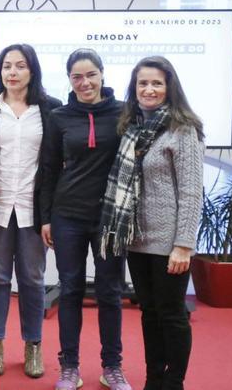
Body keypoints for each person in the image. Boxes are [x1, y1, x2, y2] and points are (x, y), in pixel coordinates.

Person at [99, 56, 203, 390]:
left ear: (169, 87)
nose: (149, 89)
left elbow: (190, 192)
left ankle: (173, 382)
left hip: (170, 241)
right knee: (149, 313)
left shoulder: (183, 129)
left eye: (156, 83)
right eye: (143, 83)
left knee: (172, 315)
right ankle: (153, 379)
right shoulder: (131, 128)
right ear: (134, 88)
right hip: (137, 240)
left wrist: (183, 245)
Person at [40, 48, 131, 390]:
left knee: (110, 292)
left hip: (110, 218)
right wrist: (46, 217)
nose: (85, 82)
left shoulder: (124, 113)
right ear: (69, 80)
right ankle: (70, 367)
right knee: (71, 289)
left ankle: (112, 367)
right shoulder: (59, 117)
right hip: (68, 217)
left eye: (90, 74)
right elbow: (48, 170)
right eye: (77, 76)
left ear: (102, 74)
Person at [0, 44, 61, 379]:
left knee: (33, 279)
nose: (12, 72)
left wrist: (50, 214)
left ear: (32, 70)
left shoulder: (51, 109)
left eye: (20, 66)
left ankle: (33, 345)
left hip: (32, 209)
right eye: (6, 66)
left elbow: (54, 166)